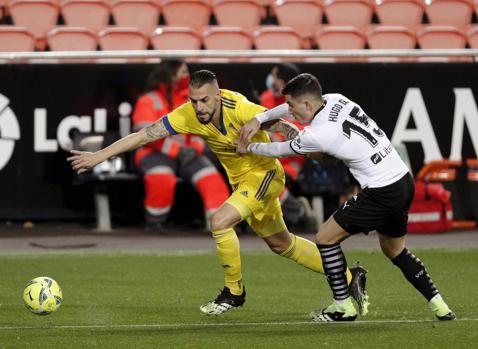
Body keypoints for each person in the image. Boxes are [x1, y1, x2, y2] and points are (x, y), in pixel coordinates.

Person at [67, 70, 368, 316]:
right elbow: (144, 135)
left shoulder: (240, 109)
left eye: (205, 101)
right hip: (243, 183)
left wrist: (310, 146)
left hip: (264, 175)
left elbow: (282, 126)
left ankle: (234, 291)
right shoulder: (188, 114)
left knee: (220, 221)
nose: (199, 107)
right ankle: (350, 277)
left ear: (218, 95)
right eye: (194, 100)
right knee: (281, 244)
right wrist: (98, 156)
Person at [237, 73, 455, 322]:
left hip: (381, 190)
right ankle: (440, 305)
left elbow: (279, 150)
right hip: (402, 180)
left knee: (325, 238)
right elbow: (290, 118)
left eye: (292, 106)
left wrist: (249, 148)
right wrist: (260, 117)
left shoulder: (318, 134)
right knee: (395, 250)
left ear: (307, 104)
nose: (289, 111)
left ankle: (343, 306)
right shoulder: (336, 99)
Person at [132, 61, 229, 229]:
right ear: (171, 74)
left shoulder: (190, 99)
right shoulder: (148, 100)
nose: (188, 76)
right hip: (153, 153)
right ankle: (154, 225)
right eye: (183, 72)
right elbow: (146, 135)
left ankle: (221, 227)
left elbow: (204, 129)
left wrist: (196, 148)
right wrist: (177, 151)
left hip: (188, 154)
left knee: (212, 181)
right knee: (162, 179)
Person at [260, 63, 315, 230]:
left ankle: (298, 212)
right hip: (267, 157)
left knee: (265, 180)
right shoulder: (266, 98)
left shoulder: (304, 103)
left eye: (274, 76)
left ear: (283, 82)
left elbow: (305, 138)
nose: (271, 80)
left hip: (292, 161)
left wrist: (276, 138)